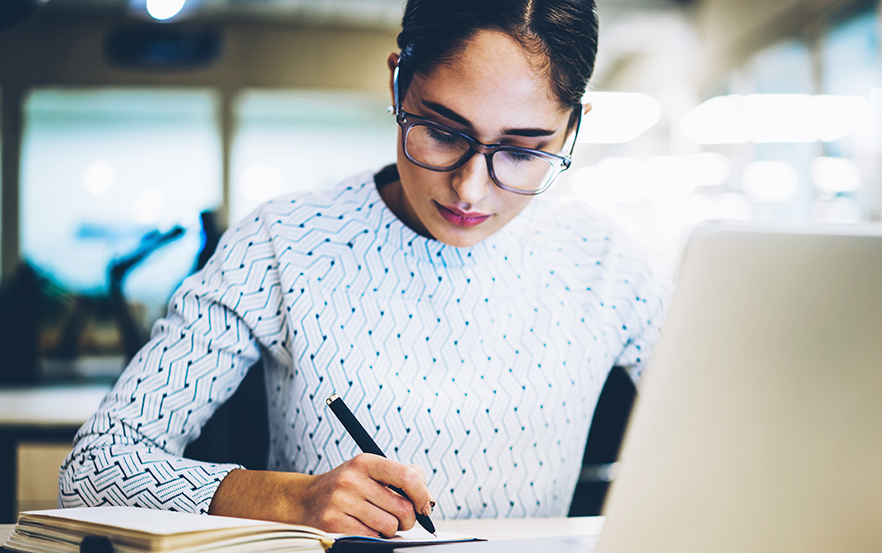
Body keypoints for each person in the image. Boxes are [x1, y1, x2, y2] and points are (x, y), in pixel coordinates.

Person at [59, 0, 669, 538]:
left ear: (574, 126)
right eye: (440, 130)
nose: (470, 189)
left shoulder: (609, 264)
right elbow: (96, 467)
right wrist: (290, 498)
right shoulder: (286, 241)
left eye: (522, 150)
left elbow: (738, 456)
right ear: (398, 84)